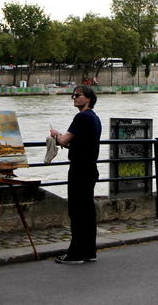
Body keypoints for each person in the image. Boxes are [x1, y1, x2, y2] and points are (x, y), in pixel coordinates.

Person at [50, 85, 102, 264]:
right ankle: (89, 251)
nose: (74, 97)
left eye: (77, 95)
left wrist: (56, 135)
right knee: (87, 211)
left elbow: (64, 140)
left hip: (79, 169)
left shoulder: (81, 117)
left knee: (77, 210)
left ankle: (75, 253)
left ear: (87, 99)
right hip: (90, 168)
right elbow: (82, 143)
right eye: (73, 95)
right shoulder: (95, 118)